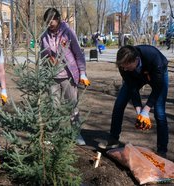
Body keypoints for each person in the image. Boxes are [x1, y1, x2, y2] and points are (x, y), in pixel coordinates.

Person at [98, 45, 169, 158]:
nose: (124, 69)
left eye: (127, 67)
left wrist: (146, 110)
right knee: (119, 104)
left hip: (156, 73)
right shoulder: (124, 65)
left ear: (136, 60)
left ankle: (162, 150)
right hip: (136, 77)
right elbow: (132, 88)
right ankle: (113, 138)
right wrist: (139, 112)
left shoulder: (153, 57)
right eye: (122, 67)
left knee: (159, 112)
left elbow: (157, 88)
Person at [40, 8, 90, 146]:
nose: (50, 23)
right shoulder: (44, 36)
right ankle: (52, 134)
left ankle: (76, 133)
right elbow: (42, 55)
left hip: (68, 75)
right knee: (53, 107)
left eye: (52, 20)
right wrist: (47, 58)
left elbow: (78, 53)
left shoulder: (67, 32)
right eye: (47, 21)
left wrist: (83, 72)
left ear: (58, 19)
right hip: (52, 77)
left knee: (72, 106)